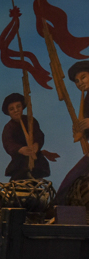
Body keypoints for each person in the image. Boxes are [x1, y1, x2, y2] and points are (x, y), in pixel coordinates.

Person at [57, 61, 89, 205]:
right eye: (77, 81)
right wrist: (80, 131)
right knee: (71, 183)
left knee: (71, 181)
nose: (80, 83)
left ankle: (56, 209)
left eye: (83, 77)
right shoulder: (87, 99)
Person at [0, 93, 50, 181]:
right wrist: (20, 149)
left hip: (35, 157)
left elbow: (39, 134)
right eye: (12, 109)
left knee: (37, 174)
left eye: (18, 106)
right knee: (19, 176)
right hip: (20, 159)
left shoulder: (31, 121)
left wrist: (36, 145)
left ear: (22, 107)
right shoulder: (8, 127)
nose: (16, 110)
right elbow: (8, 143)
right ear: (8, 112)